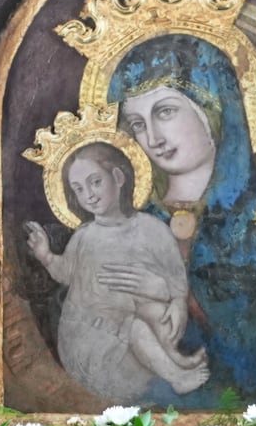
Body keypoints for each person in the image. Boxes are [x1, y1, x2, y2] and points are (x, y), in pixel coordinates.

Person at [106, 33, 256, 408]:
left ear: (212, 108)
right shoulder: (128, 225)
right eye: (137, 123)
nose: (153, 138)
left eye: (165, 112)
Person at [25, 141, 210, 401]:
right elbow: (65, 274)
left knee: (156, 311)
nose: (88, 194)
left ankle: (175, 358)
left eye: (95, 182)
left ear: (118, 177)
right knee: (135, 326)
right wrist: (45, 255)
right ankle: (176, 376)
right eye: (78, 189)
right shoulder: (84, 237)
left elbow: (175, 276)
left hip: (129, 326)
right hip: (90, 336)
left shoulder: (152, 229)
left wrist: (178, 301)